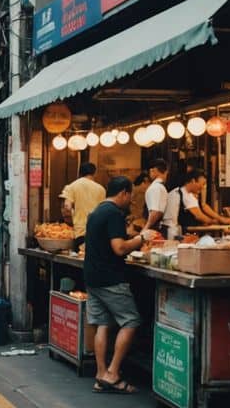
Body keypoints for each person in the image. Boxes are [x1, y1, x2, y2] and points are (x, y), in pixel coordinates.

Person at [83, 176, 153, 394]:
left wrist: (131, 235)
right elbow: (120, 248)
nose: (130, 200)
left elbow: (109, 240)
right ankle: (113, 373)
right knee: (131, 321)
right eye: (130, 195)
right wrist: (142, 238)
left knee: (103, 324)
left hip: (93, 278)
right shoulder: (114, 213)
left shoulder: (96, 212)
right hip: (111, 279)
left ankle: (100, 375)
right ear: (124, 192)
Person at [162, 168, 230, 238]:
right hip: (171, 230)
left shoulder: (188, 194)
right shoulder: (181, 194)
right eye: (202, 184)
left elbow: (202, 209)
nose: (203, 187)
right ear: (193, 181)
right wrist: (217, 221)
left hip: (176, 229)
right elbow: (199, 216)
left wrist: (219, 220)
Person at [60, 163, 106, 243]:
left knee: (80, 253)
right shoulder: (101, 189)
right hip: (97, 230)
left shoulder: (72, 186)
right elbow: (103, 211)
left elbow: (67, 207)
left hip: (80, 231)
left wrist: (71, 219)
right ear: (95, 173)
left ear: (80, 173)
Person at [143, 159, 169, 233]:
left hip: (154, 229)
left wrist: (145, 228)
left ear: (153, 170)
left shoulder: (155, 187)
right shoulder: (160, 187)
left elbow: (155, 212)